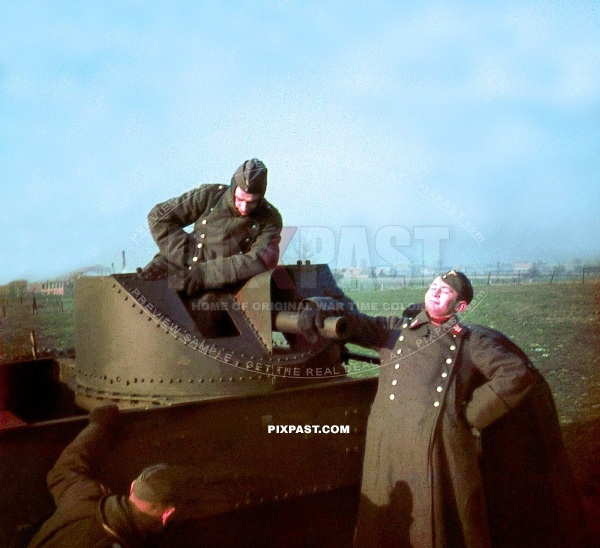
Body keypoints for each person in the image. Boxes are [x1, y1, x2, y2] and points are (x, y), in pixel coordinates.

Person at [307, 270, 591, 548]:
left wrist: (469, 415)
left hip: (436, 448)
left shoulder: (470, 341)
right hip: (389, 442)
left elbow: (515, 373)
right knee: (385, 519)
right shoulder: (394, 328)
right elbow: (358, 325)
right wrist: (326, 307)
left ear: (460, 305)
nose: (435, 292)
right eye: (433, 286)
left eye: (445, 291)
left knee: (434, 525)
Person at [27, 405, 180, 548]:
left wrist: (100, 426)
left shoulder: (83, 497)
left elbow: (65, 469)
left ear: (132, 486)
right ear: (167, 514)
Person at [141, 158, 282, 297]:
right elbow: (158, 216)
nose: (244, 208)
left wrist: (205, 273)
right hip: (170, 268)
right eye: (239, 199)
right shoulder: (210, 195)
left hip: (216, 285)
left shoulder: (270, 219)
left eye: (251, 202)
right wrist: (189, 256)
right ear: (233, 188)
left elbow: (260, 260)